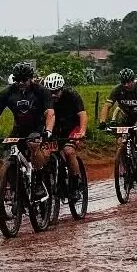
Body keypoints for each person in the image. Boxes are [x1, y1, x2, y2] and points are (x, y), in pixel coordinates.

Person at [0, 62, 54, 199]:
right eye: (17, 79)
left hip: (37, 127)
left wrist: (48, 130)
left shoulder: (41, 91)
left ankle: (38, 181)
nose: (21, 83)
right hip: (19, 128)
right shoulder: (7, 92)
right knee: (8, 151)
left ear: (30, 78)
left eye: (24, 79)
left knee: (33, 145)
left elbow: (50, 113)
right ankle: (14, 185)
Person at [42, 72, 87, 201]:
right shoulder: (44, 97)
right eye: (50, 92)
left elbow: (82, 114)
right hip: (54, 129)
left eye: (56, 92)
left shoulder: (72, 95)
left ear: (62, 89)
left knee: (68, 151)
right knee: (45, 153)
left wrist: (82, 131)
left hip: (72, 128)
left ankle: (75, 183)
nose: (53, 95)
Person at [98, 68, 137, 167]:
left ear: (133, 80)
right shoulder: (117, 89)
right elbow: (107, 106)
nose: (126, 85)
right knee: (120, 141)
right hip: (125, 118)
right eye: (123, 82)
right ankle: (124, 163)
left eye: (128, 82)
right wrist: (102, 122)